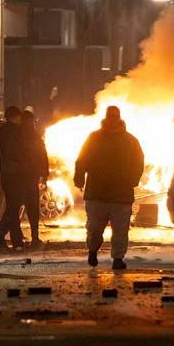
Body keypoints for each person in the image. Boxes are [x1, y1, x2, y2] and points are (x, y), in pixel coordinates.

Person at [74, 105, 145, 270]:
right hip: (97, 193)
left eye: (115, 116)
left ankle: (118, 259)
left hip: (120, 195)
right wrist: (79, 178)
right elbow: (82, 159)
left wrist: (132, 180)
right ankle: (92, 250)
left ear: (119, 118)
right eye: (110, 116)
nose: (113, 119)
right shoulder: (94, 138)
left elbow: (138, 163)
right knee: (94, 229)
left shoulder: (130, 141)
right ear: (106, 118)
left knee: (120, 231)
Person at [0, 106, 44, 251]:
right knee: (14, 208)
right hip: (15, 175)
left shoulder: (7, 131)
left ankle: (11, 239)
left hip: (13, 174)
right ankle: (2, 238)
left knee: (13, 208)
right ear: (15, 117)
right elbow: (18, 153)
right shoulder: (11, 132)